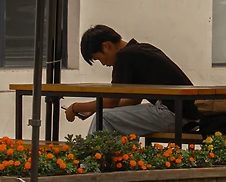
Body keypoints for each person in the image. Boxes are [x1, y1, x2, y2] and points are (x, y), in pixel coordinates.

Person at [64, 25, 197, 136]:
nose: (103, 64)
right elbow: (133, 100)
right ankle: (118, 157)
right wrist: (95, 108)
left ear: (106, 46)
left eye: (99, 59)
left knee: (104, 117)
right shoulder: (139, 50)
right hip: (186, 115)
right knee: (111, 116)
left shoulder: (124, 57)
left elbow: (111, 101)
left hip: (174, 114)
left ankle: (92, 159)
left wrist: (76, 107)